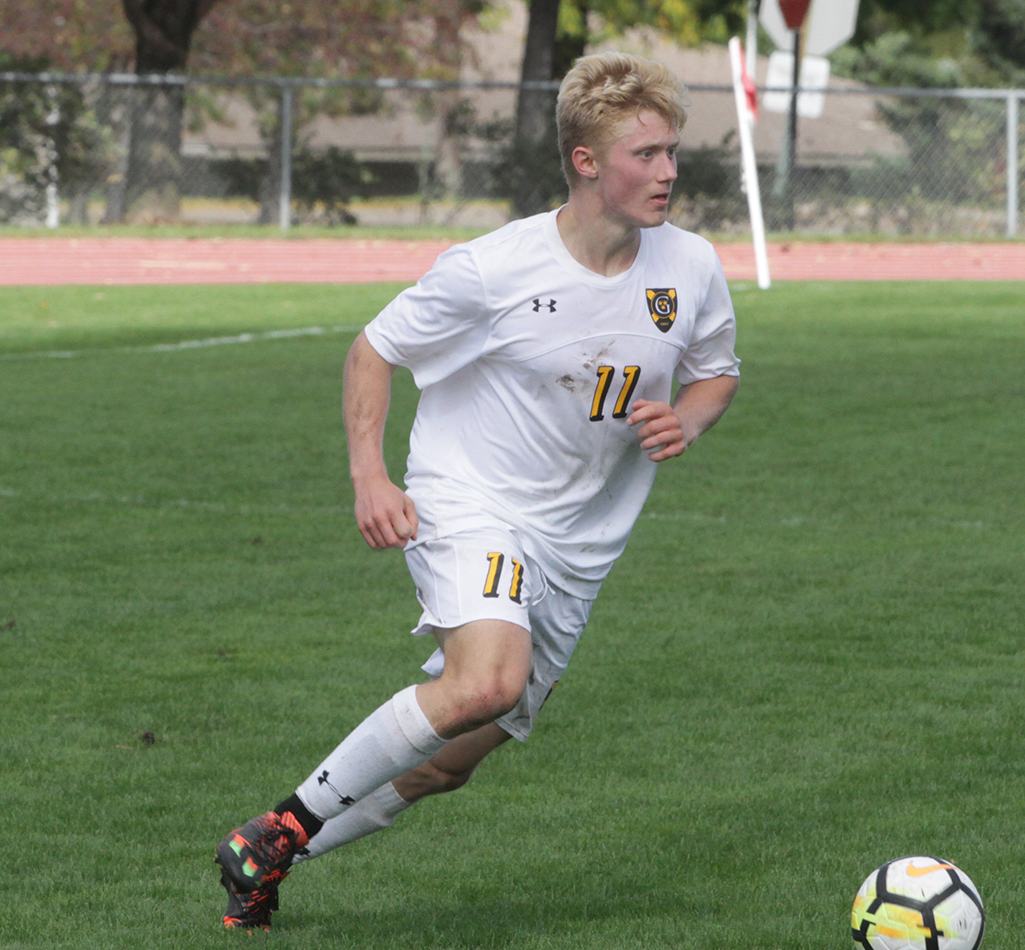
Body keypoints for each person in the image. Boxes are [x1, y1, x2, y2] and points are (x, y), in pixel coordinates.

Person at [214, 50, 741, 931]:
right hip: (471, 500)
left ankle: (265, 860)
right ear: (584, 161)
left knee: (447, 763)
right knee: (486, 680)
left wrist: (686, 420)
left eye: (671, 152)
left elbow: (716, 373)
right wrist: (369, 475)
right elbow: (372, 350)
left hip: (578, 545)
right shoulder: (493, 268)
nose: (668, 172)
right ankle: (285, 821)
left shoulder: (688, 267)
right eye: (645, 154)